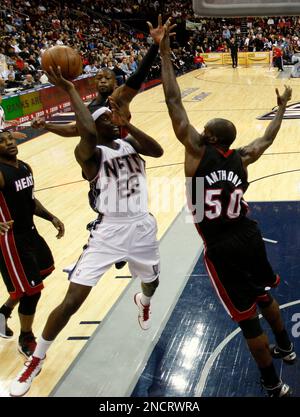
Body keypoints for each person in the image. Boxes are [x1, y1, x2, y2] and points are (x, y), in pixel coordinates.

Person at [159, 19, 294, 397]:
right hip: (250, 235)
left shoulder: (196, 152)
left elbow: (173, 101)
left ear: (210, 136)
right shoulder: (243, 156)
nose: (199, 129)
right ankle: (287, 346)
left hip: (222, 247)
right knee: (265, 295)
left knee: (248, 322)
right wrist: (281, 107)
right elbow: (267, 136)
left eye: (204, 128)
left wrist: (165, 51)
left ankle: (272, 384)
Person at [10, 62, 163, 396]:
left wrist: (130, 126)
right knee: (72, 300)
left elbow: (158, 151)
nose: (111, 117)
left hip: (141, 226)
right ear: (94, 126)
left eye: (112, 115)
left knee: (152, 281)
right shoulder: (89, 155)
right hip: (109, 231)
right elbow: (88, 131)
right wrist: (70, 89)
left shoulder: (128, 145)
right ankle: (35, 360)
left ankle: (144, 301)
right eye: (105, 117)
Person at [31, 17, 163, 271]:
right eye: (99, 78)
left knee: (124, 203)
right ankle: (105, 242)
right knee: (102, 200)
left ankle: (112, 242)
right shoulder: (90, 106)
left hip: (124, 151)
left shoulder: (120, 97)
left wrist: (155, 46)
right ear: (93, 82)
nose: (103, 81)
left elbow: (139, 75)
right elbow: (75, 130)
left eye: (107, 78)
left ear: (115, 82)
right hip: (100, 157)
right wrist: (47, 126)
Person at [0, 128, 65, 357]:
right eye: (2, 141)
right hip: (11, 240)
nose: (9, 143)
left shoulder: (25, 167)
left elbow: (31, 199)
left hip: (30, 232)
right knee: (32, 291)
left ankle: (4, 310)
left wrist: (51, 217)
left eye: (10, 138)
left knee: (44, 269)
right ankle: (26, 338)